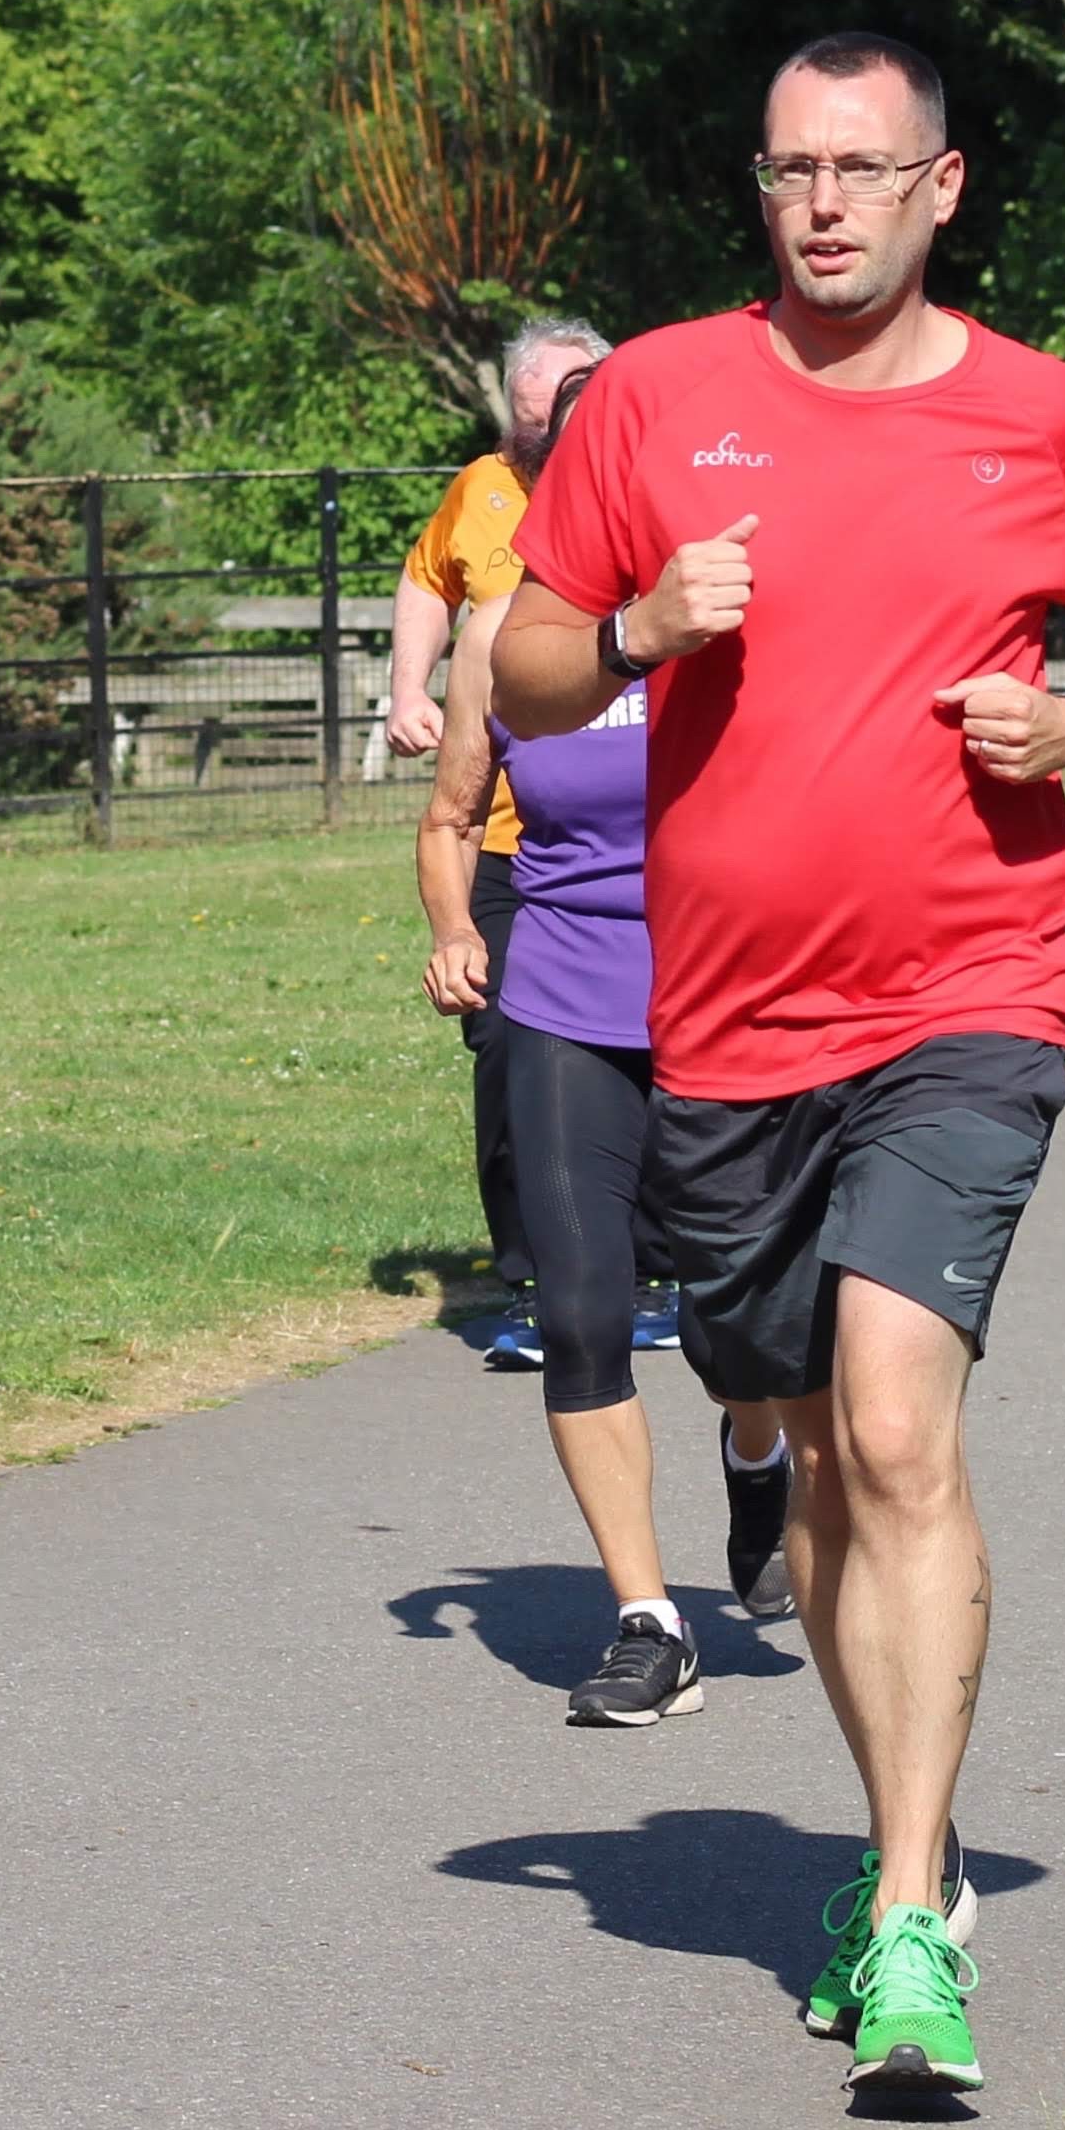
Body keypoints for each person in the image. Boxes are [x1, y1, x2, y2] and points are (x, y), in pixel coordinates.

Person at [495, 30, 1065, 2096]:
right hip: (722, 1022)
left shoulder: (1036, 414)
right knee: (810, 1453)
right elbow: (523, 664)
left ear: (940, 188)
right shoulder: (654, 398)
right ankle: (913, 1835)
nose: (824, 202)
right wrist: (638, 625)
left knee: (897, 1424)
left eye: (862, 169)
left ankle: (907, 1908)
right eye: (792, 168)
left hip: (968, 990)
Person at [418, 589, 800, 1725]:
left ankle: (755, 1449)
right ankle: (649, 1621)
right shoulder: (503, 635)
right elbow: (450, 817)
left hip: (730, 997)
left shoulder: (737, 607)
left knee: (734, 1324)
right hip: (564, 1000)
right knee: (580, 1310)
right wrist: (453, 930)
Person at [383, 317, 624, 1370]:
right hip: (501, 839)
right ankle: (533, 1269)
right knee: (512, 1044)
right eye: (531, 427)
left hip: (613, 836)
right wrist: (406, 686)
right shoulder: (484, 493)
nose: (543, 446)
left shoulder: (648, 528)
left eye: (559, 424)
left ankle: (649, 1260)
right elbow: (427, 583)